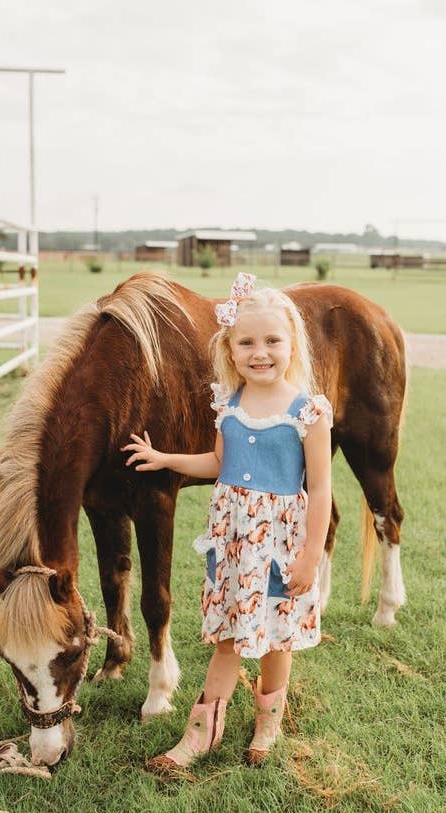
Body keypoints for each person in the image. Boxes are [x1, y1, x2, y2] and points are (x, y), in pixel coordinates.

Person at [122, 272, 332, 773]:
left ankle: (268, 719)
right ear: (230, 349)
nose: (260, 352)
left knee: (276, 637)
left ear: (292, 344)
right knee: (228, 638)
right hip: (235, 543)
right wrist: (165, 458)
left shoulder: (308, 412)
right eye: (248, 343)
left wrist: (309, 556)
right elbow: (219, 464)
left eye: (272, 341)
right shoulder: (229, 405)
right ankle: (201, 734)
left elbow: (321, 488)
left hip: (281, 543)